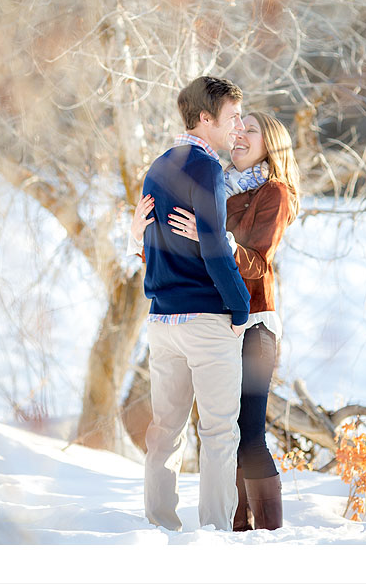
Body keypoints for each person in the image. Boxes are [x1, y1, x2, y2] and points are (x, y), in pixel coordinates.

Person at [130, 111, 300, 530]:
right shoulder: (213, 182)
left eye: (251, 131)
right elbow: (179, 251)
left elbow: (258, 263)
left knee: (247, 431)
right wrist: (139, 237)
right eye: (237, 128)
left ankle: (268, 531)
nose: (239, 135)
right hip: (215, 315)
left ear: (271, 144)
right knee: (223, 432)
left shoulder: (273, 192)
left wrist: (212, 238)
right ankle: (235, 530)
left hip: (254, 320)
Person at [135, 76, 251, 532]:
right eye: (233, 117)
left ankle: (160, 528)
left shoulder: (158, 167)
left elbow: (151, 245)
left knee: (165, 431)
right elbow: (215, 248)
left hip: (162, 318)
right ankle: (216, 535)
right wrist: (239, 305)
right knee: (220, 433)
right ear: (206, 118)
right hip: (205, 318)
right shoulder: (206, 168)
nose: (239, 126)